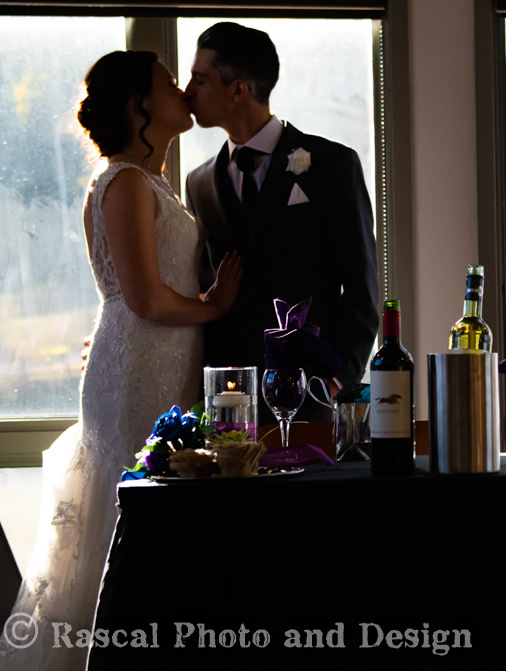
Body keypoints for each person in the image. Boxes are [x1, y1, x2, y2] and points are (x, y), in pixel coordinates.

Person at [0, 51, 241, 670]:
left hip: (156, 361)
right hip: (140, 372)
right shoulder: (127, 181)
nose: (182, 90)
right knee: (132, 515)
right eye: (168, 83)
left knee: (148, 511)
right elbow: (143, 298)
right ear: (139, 105)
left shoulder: (148, 178)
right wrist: (214, 307)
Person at [184, 22, 379, 423]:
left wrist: (339, 377)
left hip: (310, 389)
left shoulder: (332, 167)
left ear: (239, 90)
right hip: (228, 397)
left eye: (199, 79)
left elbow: (362, 285)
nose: (187, 92)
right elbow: (206, 285)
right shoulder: (199, 182)